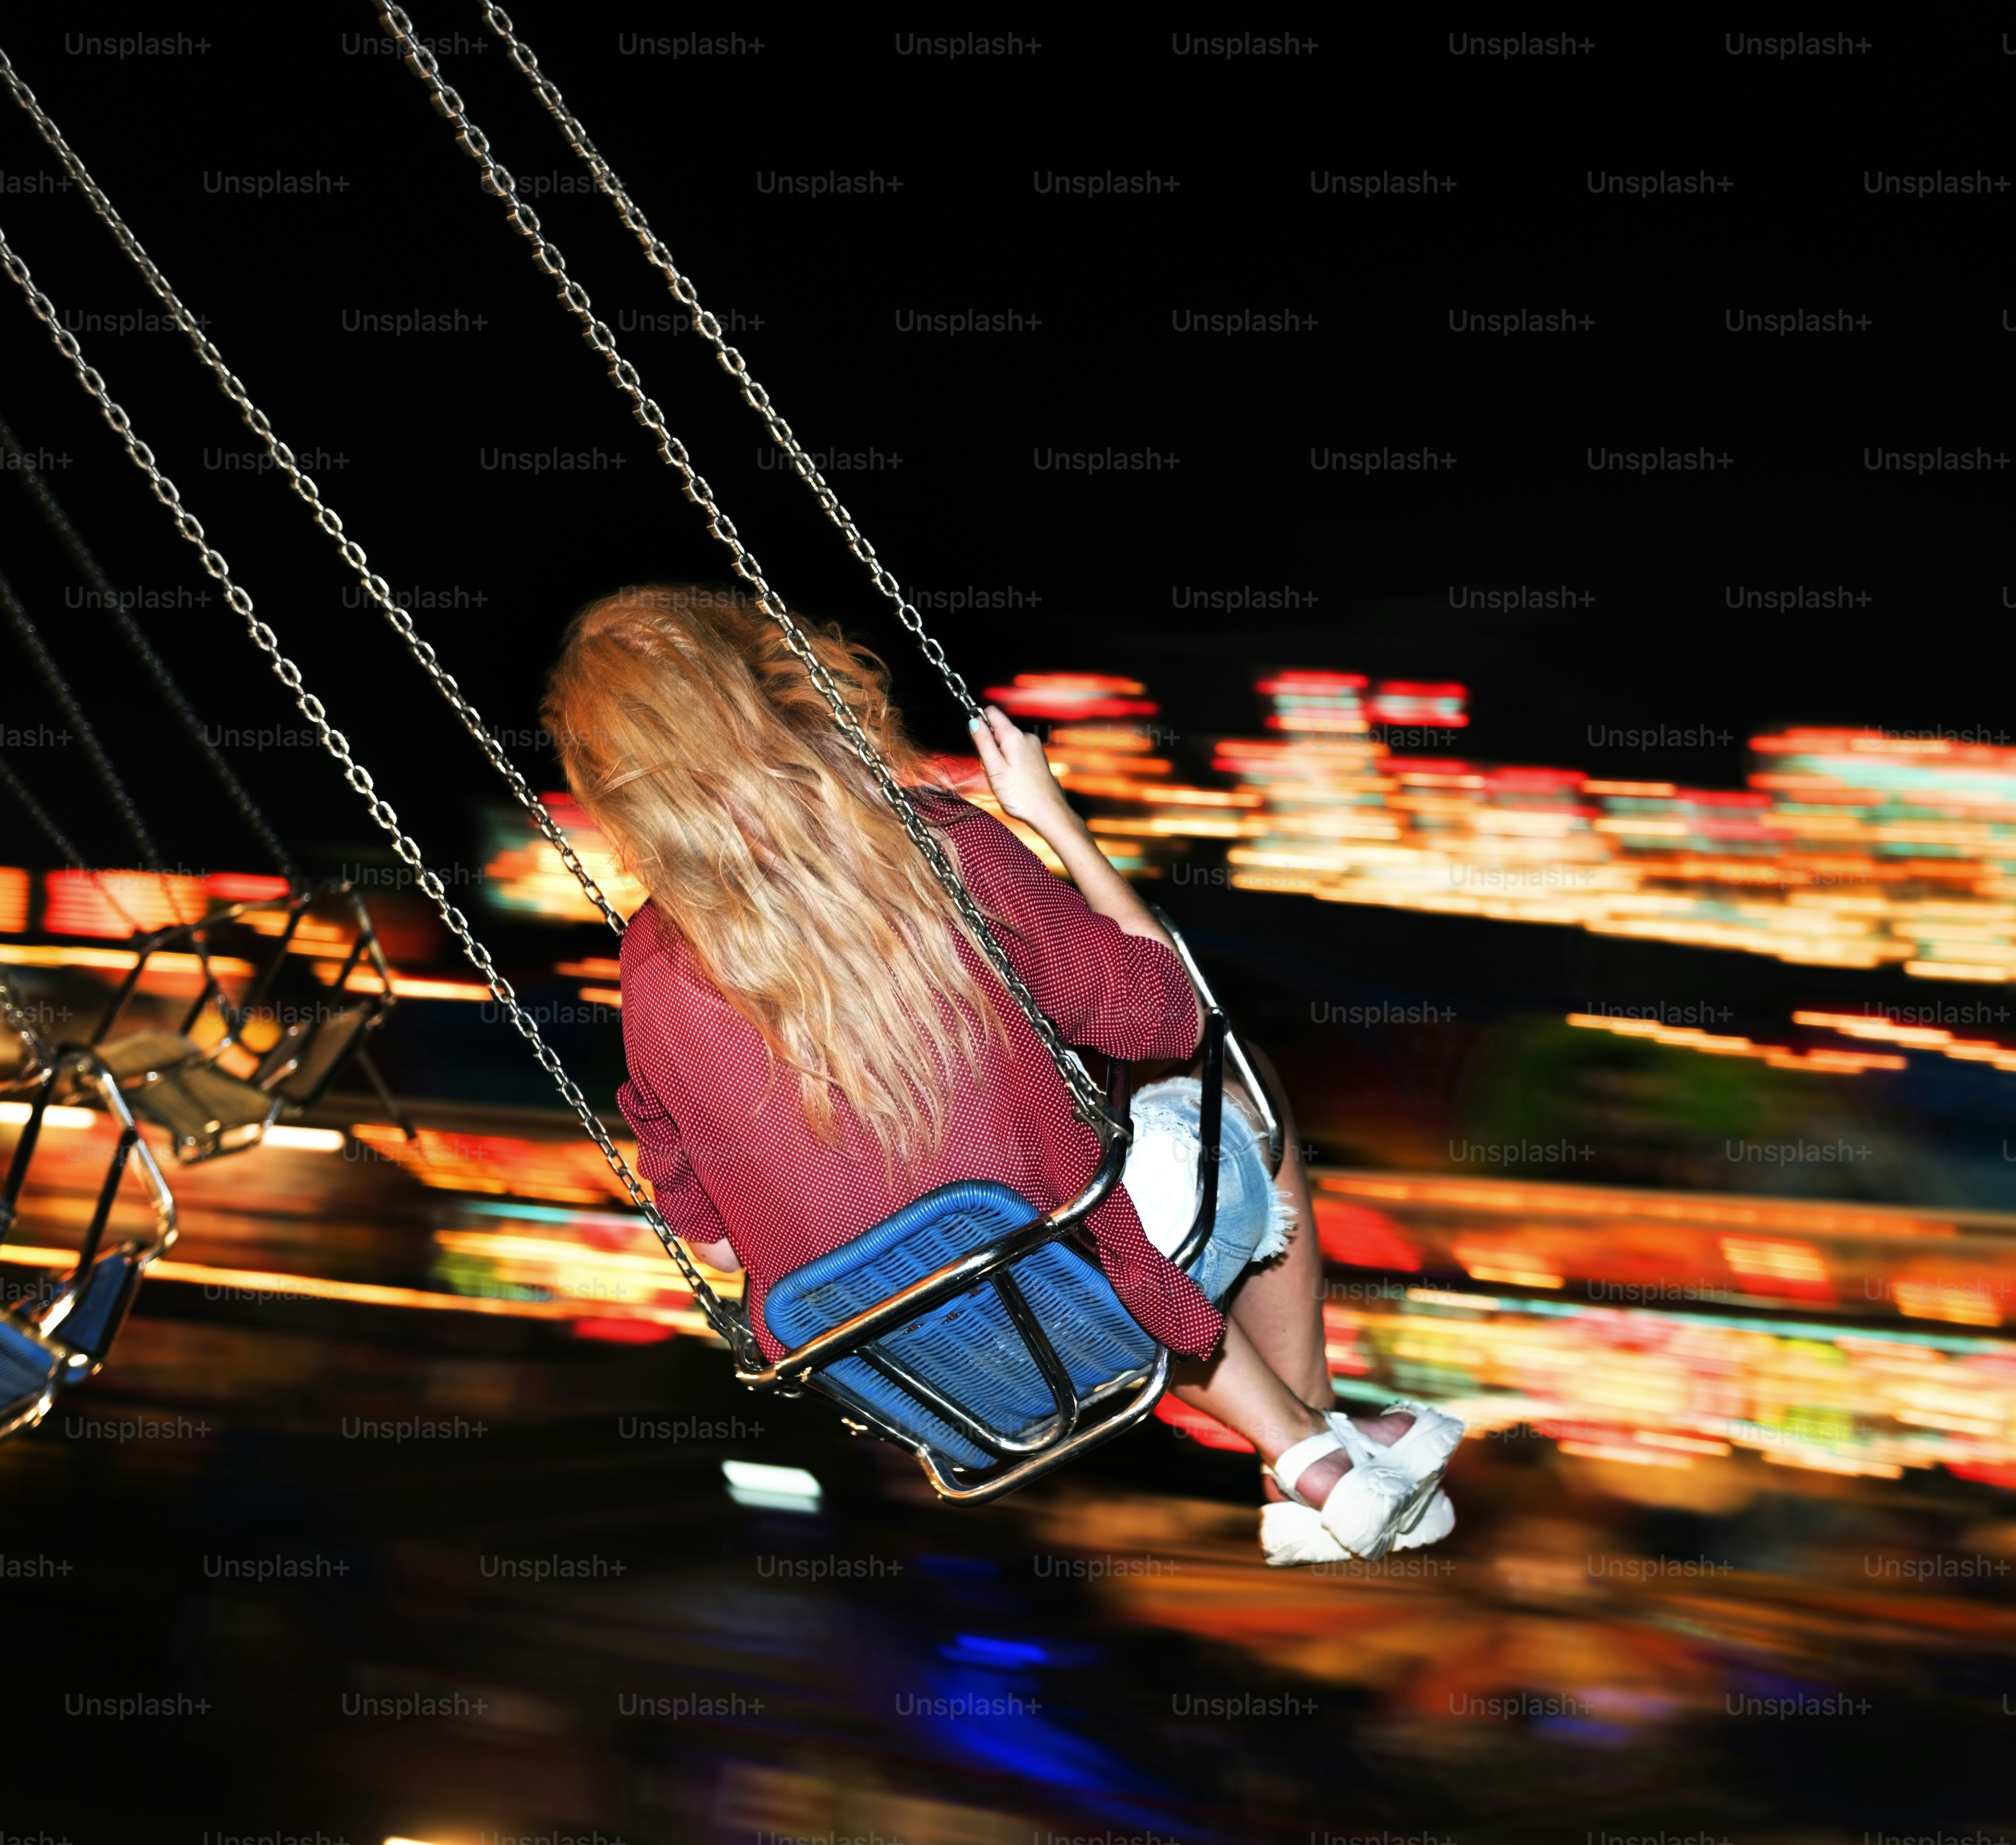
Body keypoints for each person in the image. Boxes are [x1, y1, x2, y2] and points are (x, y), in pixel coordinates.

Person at [544, 585, 1461, 1564]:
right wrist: (1053, 821)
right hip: (1076, 1270)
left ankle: (1312, 1459)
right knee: (1235, 1082)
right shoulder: (930, 845)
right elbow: (1168, 1015)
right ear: (774, 685)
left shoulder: (644, 973)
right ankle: (1311, 1445)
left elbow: (721, 1257)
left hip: (919, 1377)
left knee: (1043, 1205)